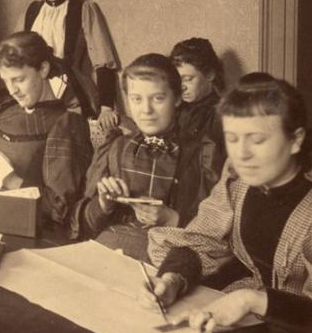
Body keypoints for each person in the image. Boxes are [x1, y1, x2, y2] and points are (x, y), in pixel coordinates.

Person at [146, 75, 312, 333]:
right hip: (257, 324)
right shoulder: (238, 181)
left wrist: (252, 300)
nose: (242, 154)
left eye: (257, 140)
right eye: (232, 139)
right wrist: (171, 280)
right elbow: (201, 239)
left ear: (296, 140)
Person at [74, 53, 219, 258]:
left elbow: (215, 234)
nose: (146, 110)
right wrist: (103, 204)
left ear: (177, 98)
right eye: (136, 99)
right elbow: (86, 226)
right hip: (109, 250)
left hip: (167, 260)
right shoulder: (116, 147)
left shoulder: (201, 153)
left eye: (158, 98)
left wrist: (172, 218)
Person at [0, 32, 93, 226]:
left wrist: (9, 179)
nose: (12, 90)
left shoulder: (65, 123)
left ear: (43, 69)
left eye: (19, 79)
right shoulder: (4, 112)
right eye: (6, 80)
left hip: (32, 232)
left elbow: (60, 208)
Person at [18, 0, 119, 129]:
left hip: (70, 91)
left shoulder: (83, 9)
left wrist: (106, 106)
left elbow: (104, 62)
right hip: (34, 87)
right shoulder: (32, 11)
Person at [170, 36, 225, 153]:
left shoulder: (219, 114)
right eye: (177, 80)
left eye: (188, 79)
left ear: (210, 75)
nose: (181, 87)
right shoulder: (177, 108)